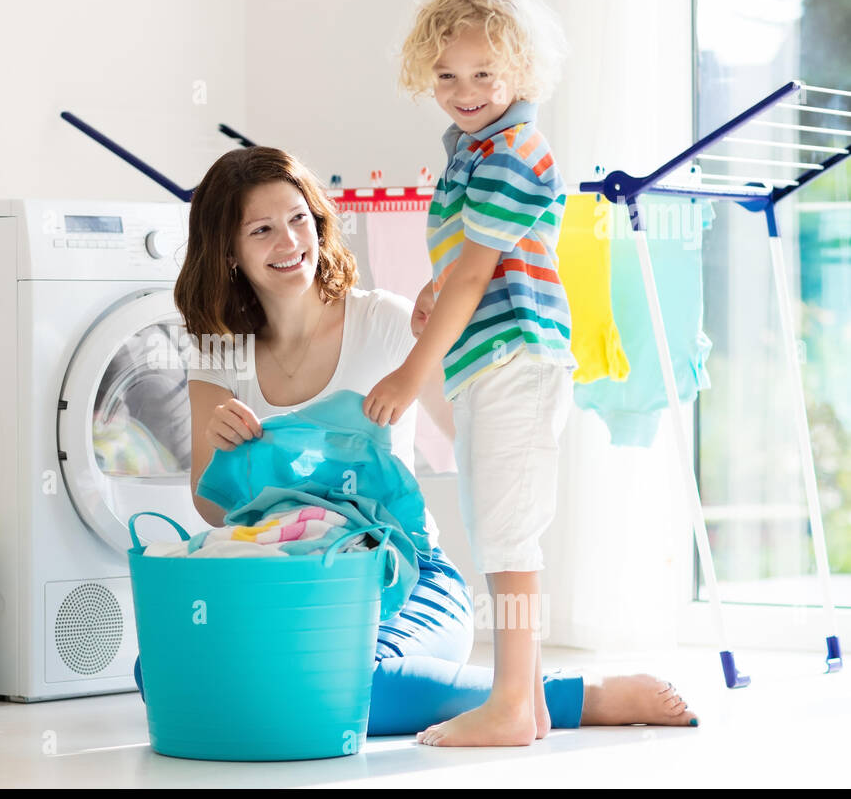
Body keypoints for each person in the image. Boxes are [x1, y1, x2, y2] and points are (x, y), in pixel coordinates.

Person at [133, 142, 698, 738]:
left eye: (299, 219)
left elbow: (473, 433)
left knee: (351, 684)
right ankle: (489, 695)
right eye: (262, 230)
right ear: (227, 250)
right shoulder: (221, 347)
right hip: (278, 578)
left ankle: (569, 698)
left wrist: (484, 347)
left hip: (403, 573)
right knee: (164, 670)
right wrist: (224, 453)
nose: (290, 243)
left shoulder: (384, 322)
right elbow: (210, 504)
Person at [364, 0, 582, 746]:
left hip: (515, 353)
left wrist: (412, 371)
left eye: (484, 74)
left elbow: (478, 272)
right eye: (448, 76)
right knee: (498, 527)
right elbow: (468, 257)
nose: (465, 91)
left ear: (521, 72)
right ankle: (527, 702)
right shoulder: (477, 149)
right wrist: (433, 287)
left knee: (505, 534)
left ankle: (511, 706)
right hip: (496, 356)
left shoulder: (512, 150)